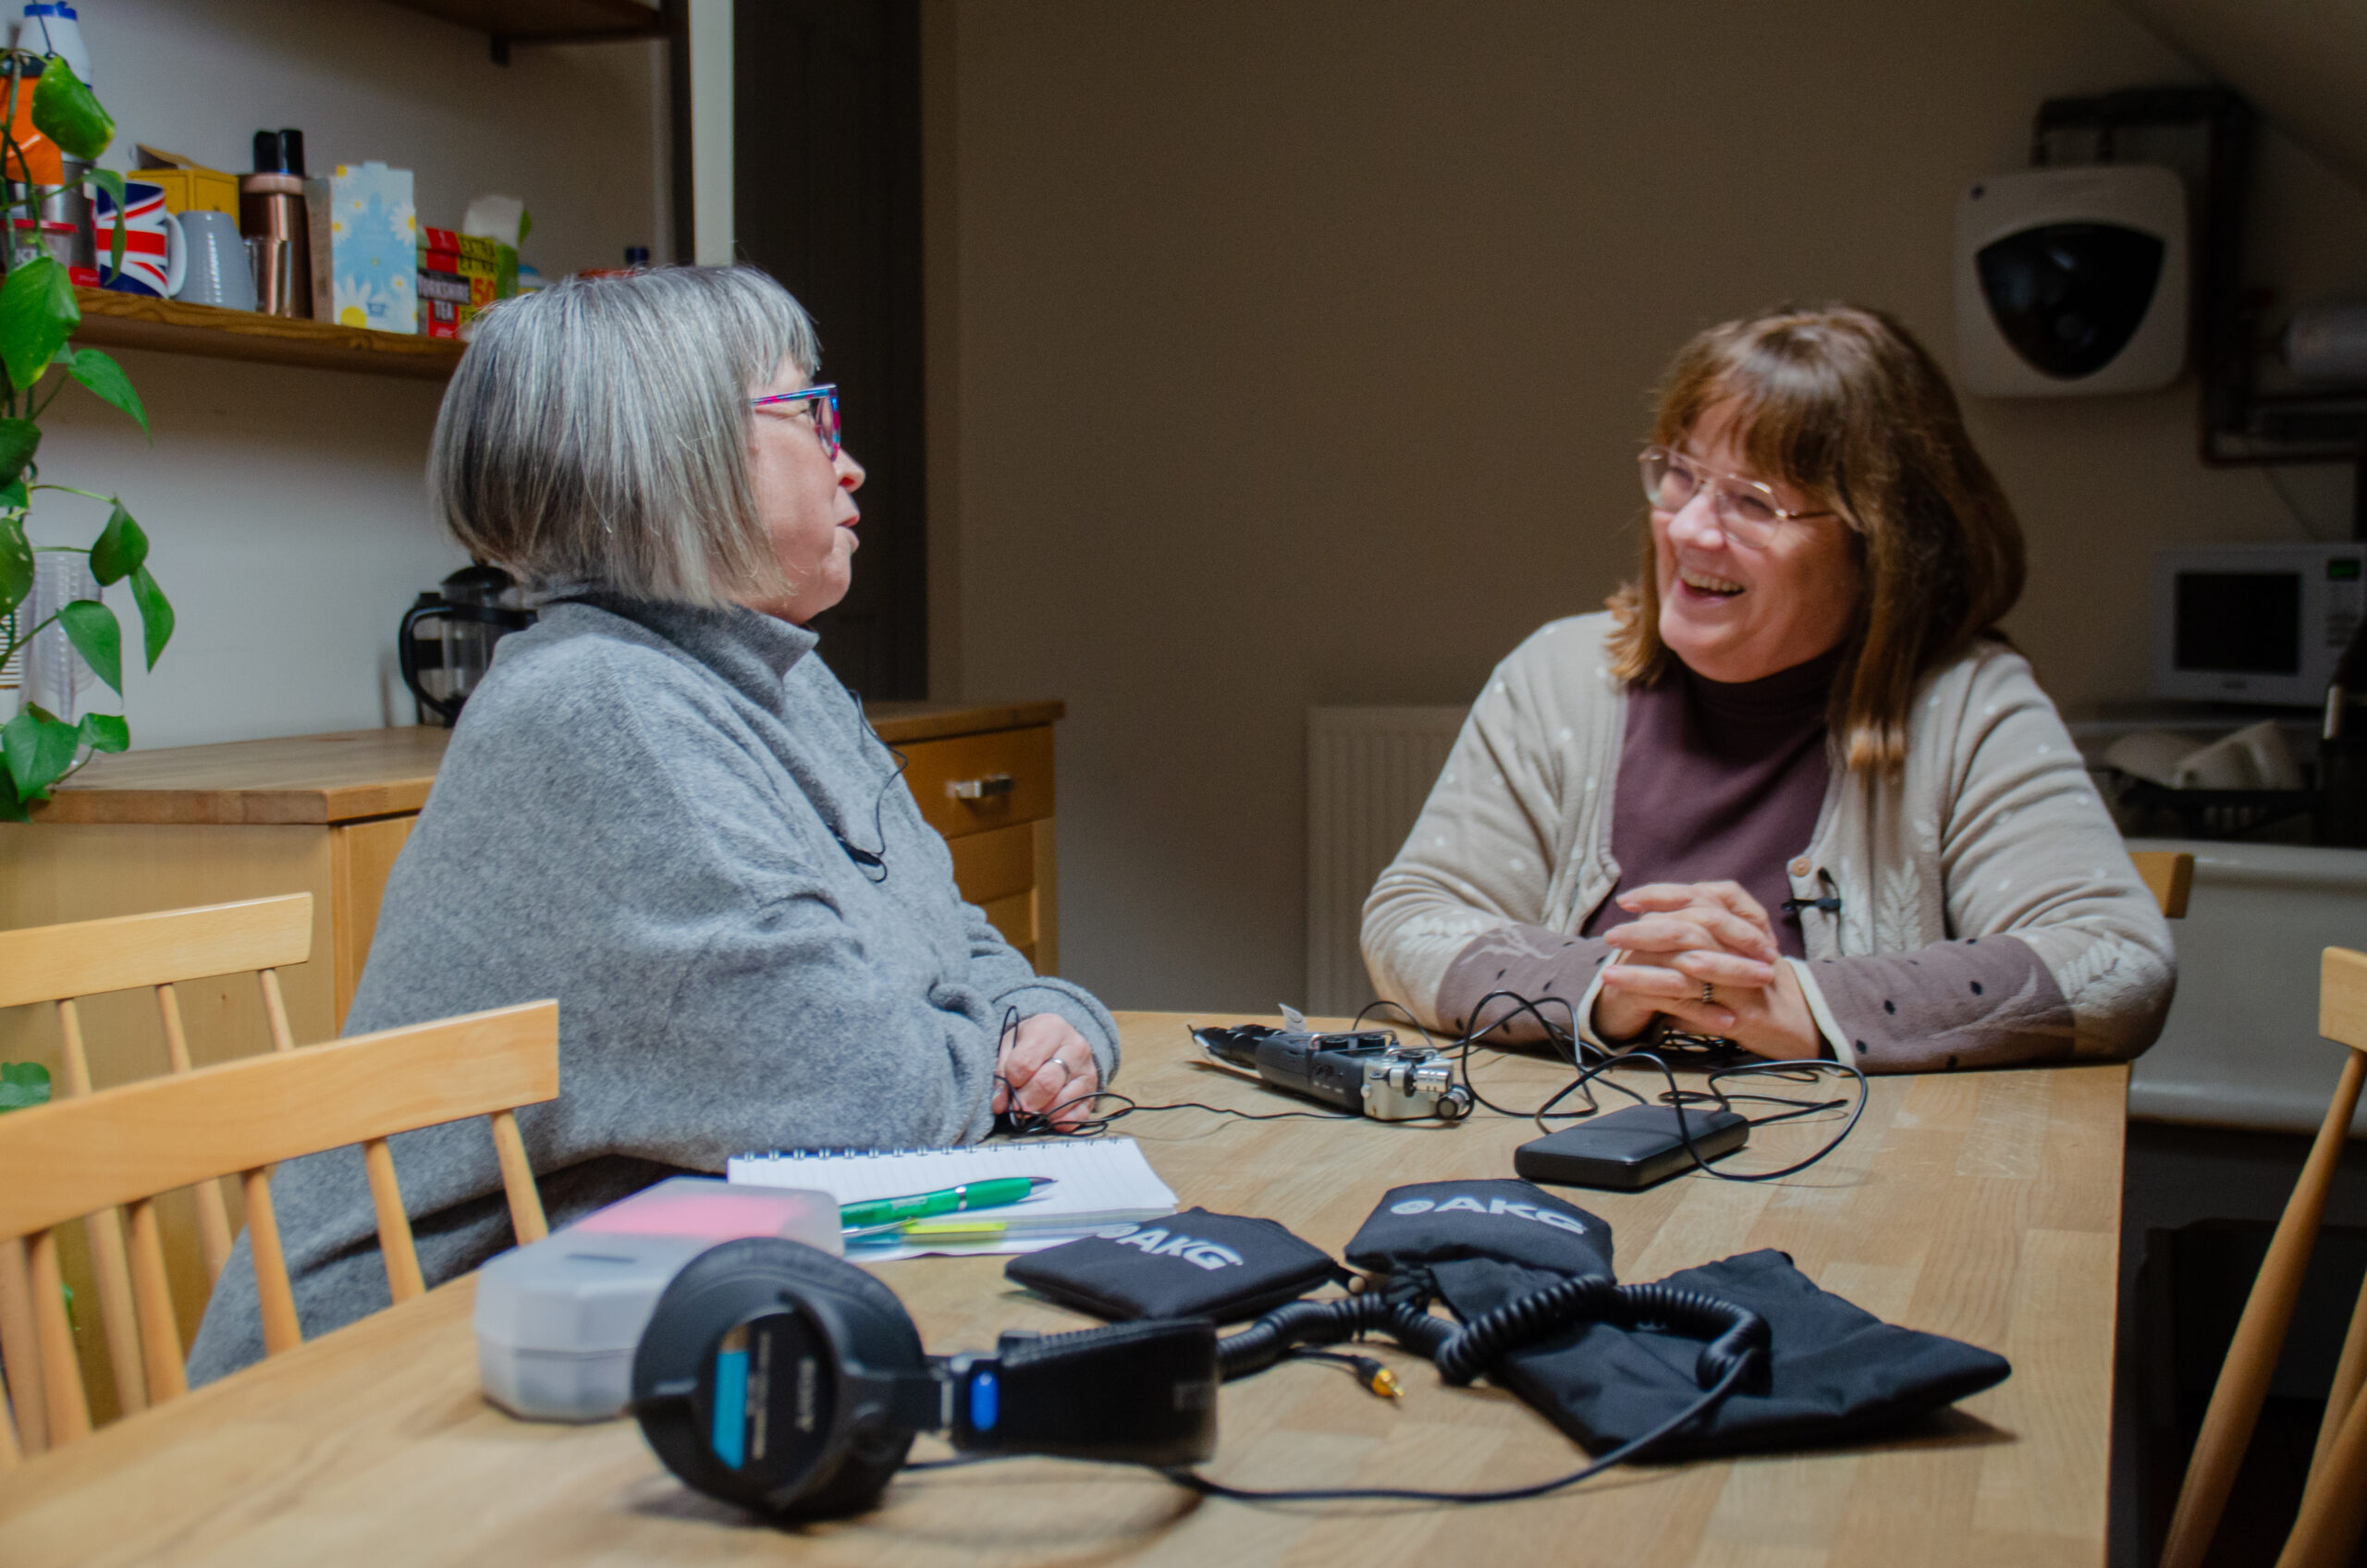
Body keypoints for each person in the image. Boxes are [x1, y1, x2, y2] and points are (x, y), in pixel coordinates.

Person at [188, 266, 1116, 1381]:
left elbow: (954, 942)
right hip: (391, 1384)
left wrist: (1056, 1024)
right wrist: (1007, 1056)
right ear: (677, 458)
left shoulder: (780, 680)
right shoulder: (600, 712)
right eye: (809, 415)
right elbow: (862, 1091)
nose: (849, 459)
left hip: (622, 1306)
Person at [1362, 303, 2173, 1071]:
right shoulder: (1558, 676)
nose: (1689, 529)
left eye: (1753, 501)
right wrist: (1613, 983)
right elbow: (1412, 920)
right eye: (1679, 475)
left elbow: (2116, 963)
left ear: (1879, 542)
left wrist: (1802, 1001)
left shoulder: (1967, 705)